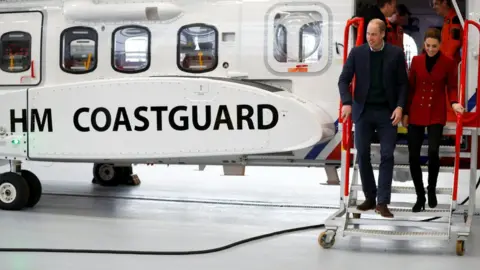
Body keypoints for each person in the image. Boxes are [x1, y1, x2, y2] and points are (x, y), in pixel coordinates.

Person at [338, 19, 409, 218]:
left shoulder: (395, 54)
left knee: (387, 154)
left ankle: (382, 202)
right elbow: (344, 79)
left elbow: (403, 84)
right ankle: (370, 197)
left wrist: (400, 107)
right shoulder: (357, 53)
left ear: (383, 34)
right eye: (368, 34)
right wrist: (346, 102)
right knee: (362, 154)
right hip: (363, 111)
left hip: (387, 113)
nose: (370, 38)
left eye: (374, 34)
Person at [402, 28, 465, 212]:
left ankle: (431, 190)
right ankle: (419, 195)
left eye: (434, 46)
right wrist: (406, 112)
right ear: (424, 44)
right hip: (416, 112)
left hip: (436, 113)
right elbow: (411, 88)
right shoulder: (416, 61)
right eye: (428, 46)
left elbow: (452, 87)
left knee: (433, 151)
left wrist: (454, 103)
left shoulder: (448, 62)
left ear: (440, 45)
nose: (430, 49)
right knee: (413, 156)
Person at [432, 0, 463, 65]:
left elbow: (455, 42)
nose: (434, 7)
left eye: (436, 4)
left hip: (450, 64)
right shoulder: (447, 20)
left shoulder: (454, 19)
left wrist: (445, 61)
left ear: (444, 3)